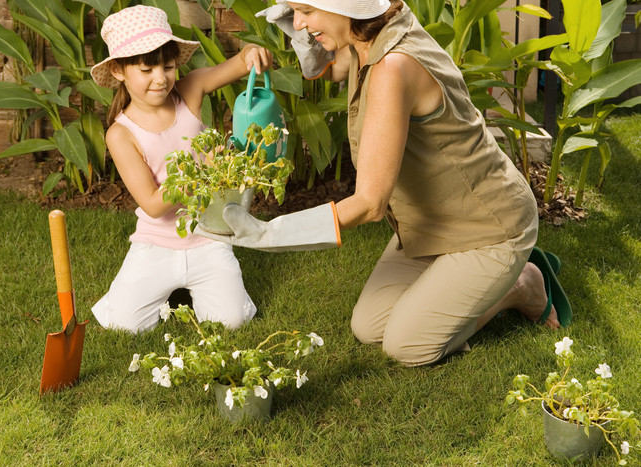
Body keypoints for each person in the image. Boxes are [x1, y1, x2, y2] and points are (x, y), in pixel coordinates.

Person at [198, 0, 572, 366]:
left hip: (488, 226)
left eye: (306, 11)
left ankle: (521, 284)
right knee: (369, 326)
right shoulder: (369, 34)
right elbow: (328, 70)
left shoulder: (394, 66)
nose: (297, 23)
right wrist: (304, 31)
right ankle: (470, 281)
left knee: (407, 346)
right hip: (432, 221)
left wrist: (269, 234)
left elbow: (369, 203)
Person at [89, 5, 273, 333]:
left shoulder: (189, 91)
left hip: (208, 236)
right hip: (156, 243)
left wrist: (252, 53)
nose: (161, 79)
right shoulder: (121, 133)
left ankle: (194, 286)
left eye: (168, 66)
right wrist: (200, 169)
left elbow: (240, 63)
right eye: (146, 70)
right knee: (123, 325)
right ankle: (163, 287)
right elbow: (152, 204)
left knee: (231, 322)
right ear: (118, 70)